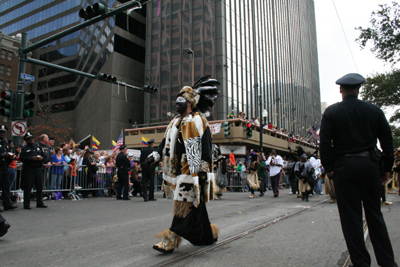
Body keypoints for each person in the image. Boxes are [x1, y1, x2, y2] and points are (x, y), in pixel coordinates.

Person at [320, 73, 396, 267]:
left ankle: (361, 262)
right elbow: (387, 141)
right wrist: (387, 169)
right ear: (359, 89)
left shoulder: (332, 112)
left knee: (351, 219)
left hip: (344, 168)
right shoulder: (374, 110)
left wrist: (330, 169)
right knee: (374, 215)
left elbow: (325, 143)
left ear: (341, 90)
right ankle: (387, 262)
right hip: (369, 166)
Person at [146, 76, 220, 253]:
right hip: (176, 170)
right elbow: (165, 143)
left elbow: (206, 147)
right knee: (195, 207)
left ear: (190, 103)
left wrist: (202, 171)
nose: (176, 103)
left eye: (181, 101)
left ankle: (170, 239)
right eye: (176, 100)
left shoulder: (198, 120)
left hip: (192, 172)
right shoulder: (174, 122)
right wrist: (155, 155)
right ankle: (208, 233)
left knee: (184, 204)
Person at [20, 131, 48, 209]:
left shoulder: (38, 148)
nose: (31, 140)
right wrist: (32, 158)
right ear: (26, 140)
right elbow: (22, 158)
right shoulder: (24, 149)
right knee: (28, 187)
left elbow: (45, 157)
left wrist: (41, 158)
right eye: (29, 139)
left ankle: (39, 202)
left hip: (38, 169)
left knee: (39, 186)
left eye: (32, 138)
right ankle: (26, 204)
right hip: (29, 170)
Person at [0, 126, 16, 211]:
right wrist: (2, 155)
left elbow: (8, 152)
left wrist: (10, 157)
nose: (2, 134)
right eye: (1, 132)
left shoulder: (5, 142)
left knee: (6, 186)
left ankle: (7, 203)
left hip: (5, 166)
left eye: (4, 132)